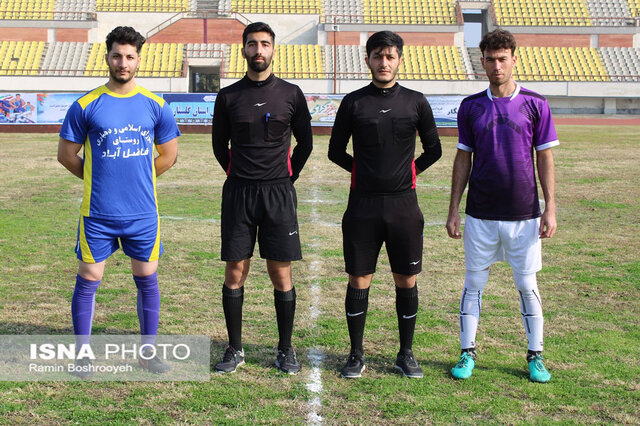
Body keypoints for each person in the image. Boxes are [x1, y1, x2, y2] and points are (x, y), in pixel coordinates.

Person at [57, 26, 180, 378]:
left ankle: (147, 353)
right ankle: (82, 355)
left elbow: (168, 155)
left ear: (138, 60)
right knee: (88, 278)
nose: (122, 62)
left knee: (147, 279)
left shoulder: (155, 105)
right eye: (116, 55)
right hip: (97, 214)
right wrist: (100, 180)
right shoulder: (86, 104)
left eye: (129, 56)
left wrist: (137, 179)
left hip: (143, 214)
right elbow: (67, 155)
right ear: (107, 57)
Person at [446, 29, 558, 383]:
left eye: (502, 59)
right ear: (482, 62)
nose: (496, 66)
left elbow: (545, 158)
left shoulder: (536, 103)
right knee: (473, 284)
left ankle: (536, 355)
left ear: (513, 59)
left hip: (524, 213)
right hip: (480, 213)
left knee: (527, 286)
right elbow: (462, 159)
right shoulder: (471, 106)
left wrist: (550, 207)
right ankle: (467, 353)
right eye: (490, 60)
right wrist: (453, 208)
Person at [328, 31, 442, 379]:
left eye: (390, 56)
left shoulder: (416, 101)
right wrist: (364, 173)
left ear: (399, 60)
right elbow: (335, 151)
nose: (384, 62)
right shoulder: (353, 102)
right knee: (359, 278)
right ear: (368, 61)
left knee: (406, 279)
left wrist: (409, 173)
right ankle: (355, 354)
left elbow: (433, 149)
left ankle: (405, 353)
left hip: (403, 205)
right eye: (377, 56)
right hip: (362, 206)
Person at [212, 22, 313, 375]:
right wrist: (239, 173)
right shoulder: (228, 97)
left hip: (278, 194)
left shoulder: (291, 94)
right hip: (239, 193)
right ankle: (234, 348)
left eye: (265, 44)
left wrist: (286, 177)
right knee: (235, 270)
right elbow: (218, 145)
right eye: (252, 44)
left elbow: (306, 143)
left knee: (280, 272)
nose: (259, 50)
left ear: (273, 50)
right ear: (243, 50)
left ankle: (285, 350)